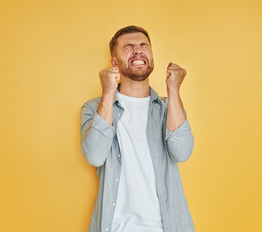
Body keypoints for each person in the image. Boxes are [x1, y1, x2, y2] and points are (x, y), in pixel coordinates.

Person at [80, 25, 195, 232]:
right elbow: (95, 156)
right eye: (128, 46)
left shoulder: (169, 107)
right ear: (114, 63)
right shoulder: (93, 108)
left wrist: (174, 90)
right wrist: (108, 93)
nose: (138, 50)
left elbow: (182, 152)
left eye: (144, 45)